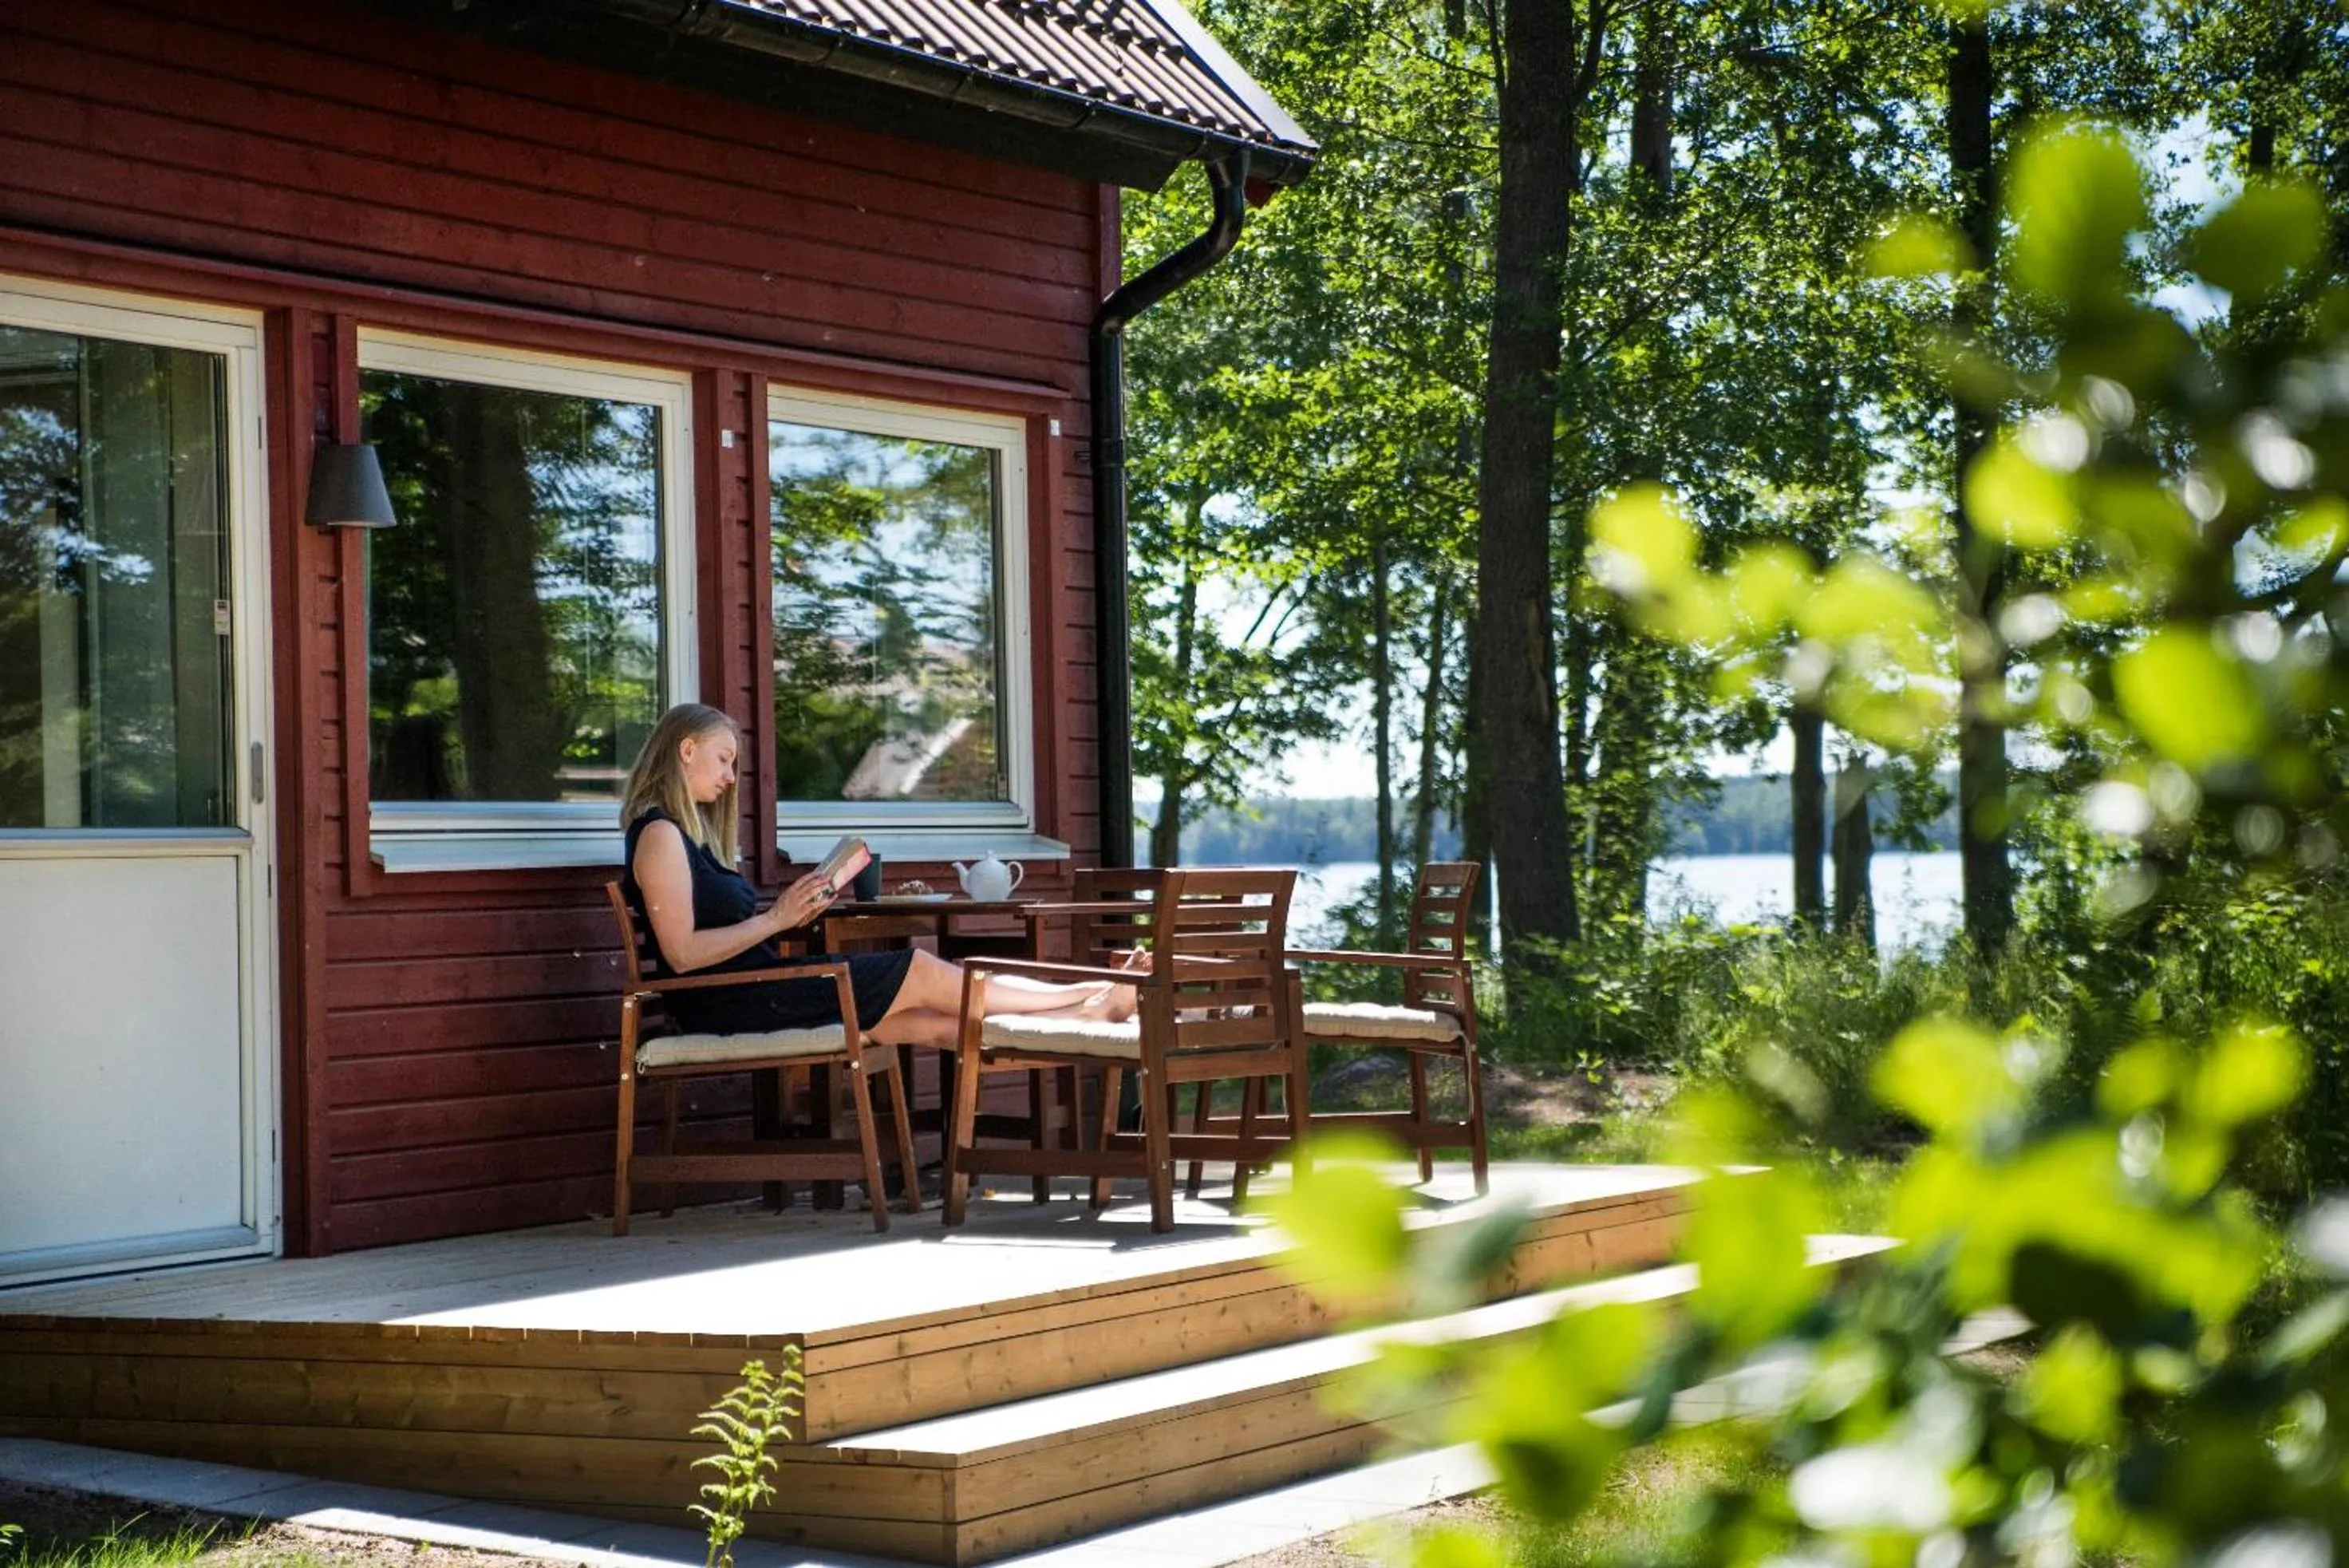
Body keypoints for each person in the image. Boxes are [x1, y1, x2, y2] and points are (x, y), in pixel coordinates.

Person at [620, 703, 1128, 1049]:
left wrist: (794, 914)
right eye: (724, 759)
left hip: (755, 988)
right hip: (733, 1002)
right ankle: (1079, 992)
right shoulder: (659, 834)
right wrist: (777, 919)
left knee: (919, 1024)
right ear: (686, 750)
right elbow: (682, 955)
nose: (731, 777)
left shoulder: (690, 839)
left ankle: (1081, 1019)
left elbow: (721, 936)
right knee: (918, 968)